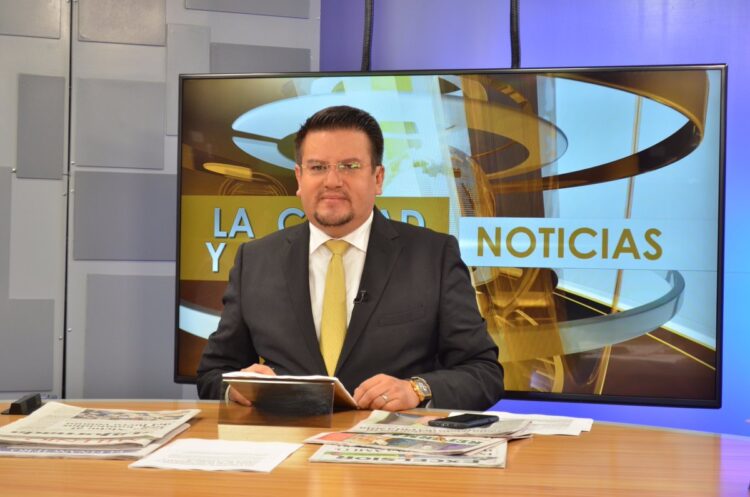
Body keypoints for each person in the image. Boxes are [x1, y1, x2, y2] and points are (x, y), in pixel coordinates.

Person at [197, 105, 504, 411]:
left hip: (388, 438)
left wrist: (417, 389)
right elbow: (213, 373)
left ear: (378, 178)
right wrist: (236, 387)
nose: (332, 181)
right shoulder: (255, 260)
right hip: (288, 437)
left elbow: (483, 372)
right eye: (318, 167)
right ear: (299, 178)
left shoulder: (433, 256)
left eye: (350, 166)